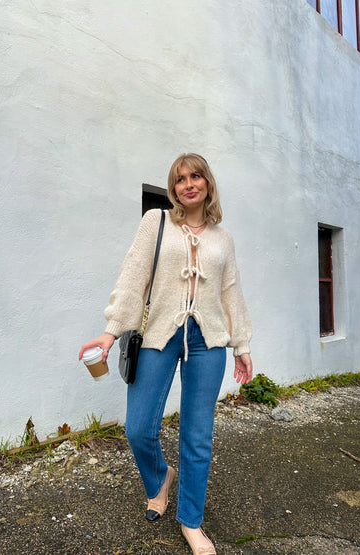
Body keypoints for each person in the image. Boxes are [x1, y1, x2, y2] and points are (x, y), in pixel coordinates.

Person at [79, 153, 253, 555]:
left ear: (207, 183)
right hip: (158, 332)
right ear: (172, 188)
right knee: (138, 428)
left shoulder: (223, 238)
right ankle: (160, 478)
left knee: (198, 436)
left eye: (196, 176)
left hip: (207, 341)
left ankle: (191, 522)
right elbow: (133, 276)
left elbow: (231, 292)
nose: (188, 184)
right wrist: (111, 332)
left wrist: (241, 344)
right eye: (179, 179)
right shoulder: (155, 221)